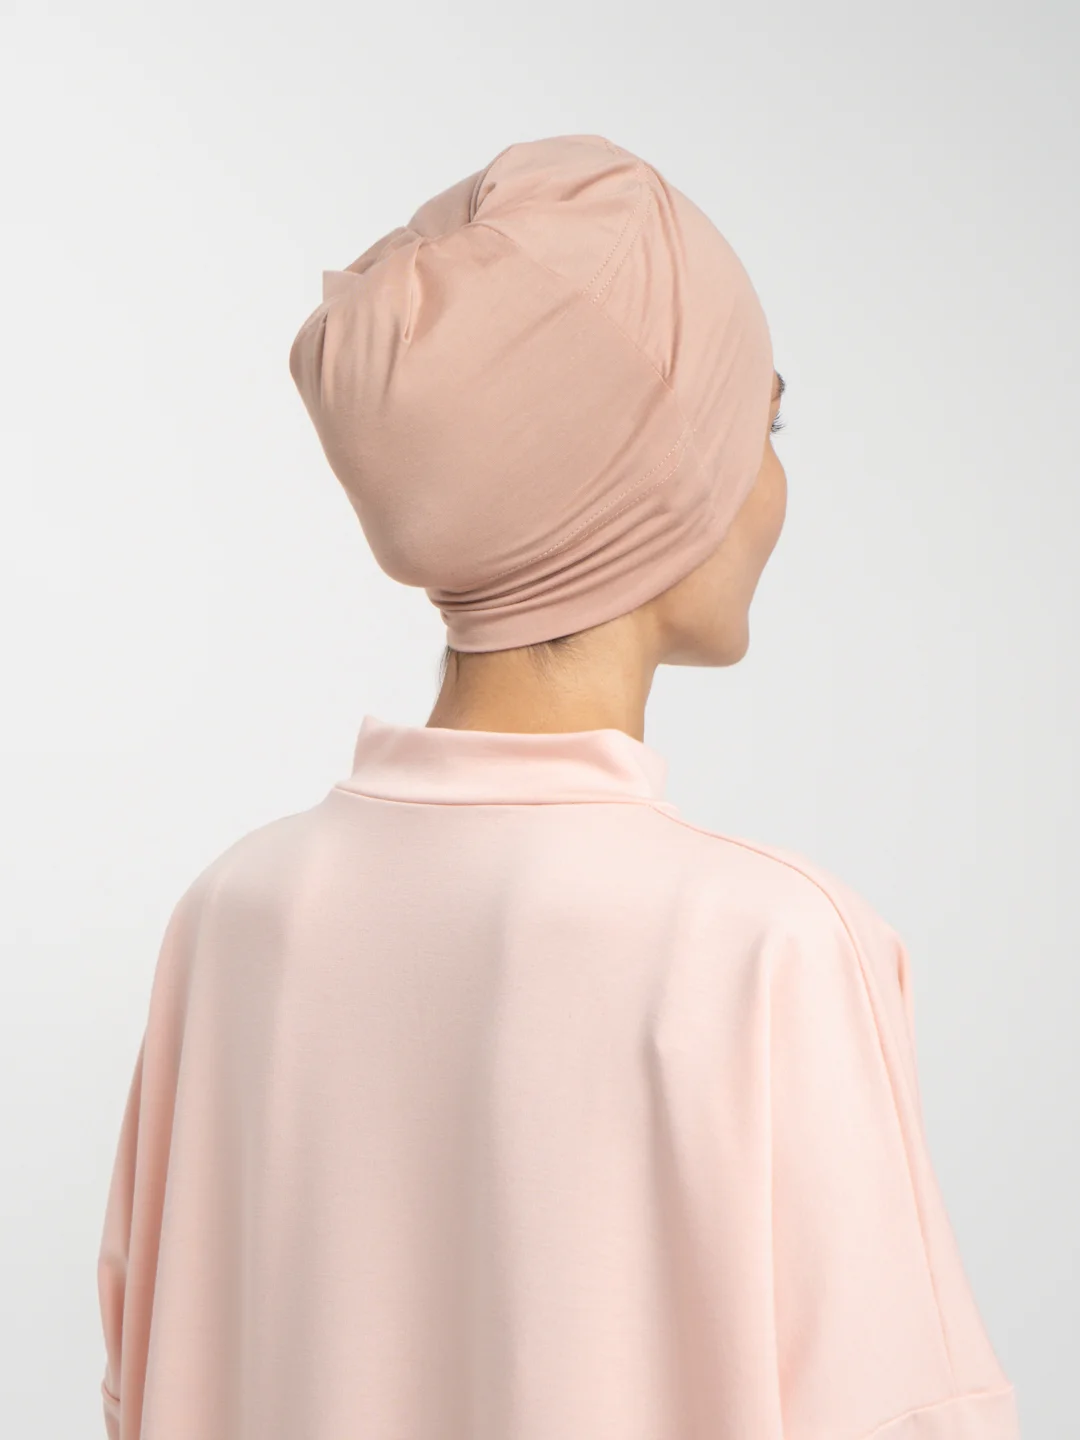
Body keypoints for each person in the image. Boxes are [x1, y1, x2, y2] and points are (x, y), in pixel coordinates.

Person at [96, 134, 1020, 1439]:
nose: (774, 485)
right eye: (762, 426)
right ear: (660, 480)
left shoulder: (232, 918)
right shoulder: (773, 948)